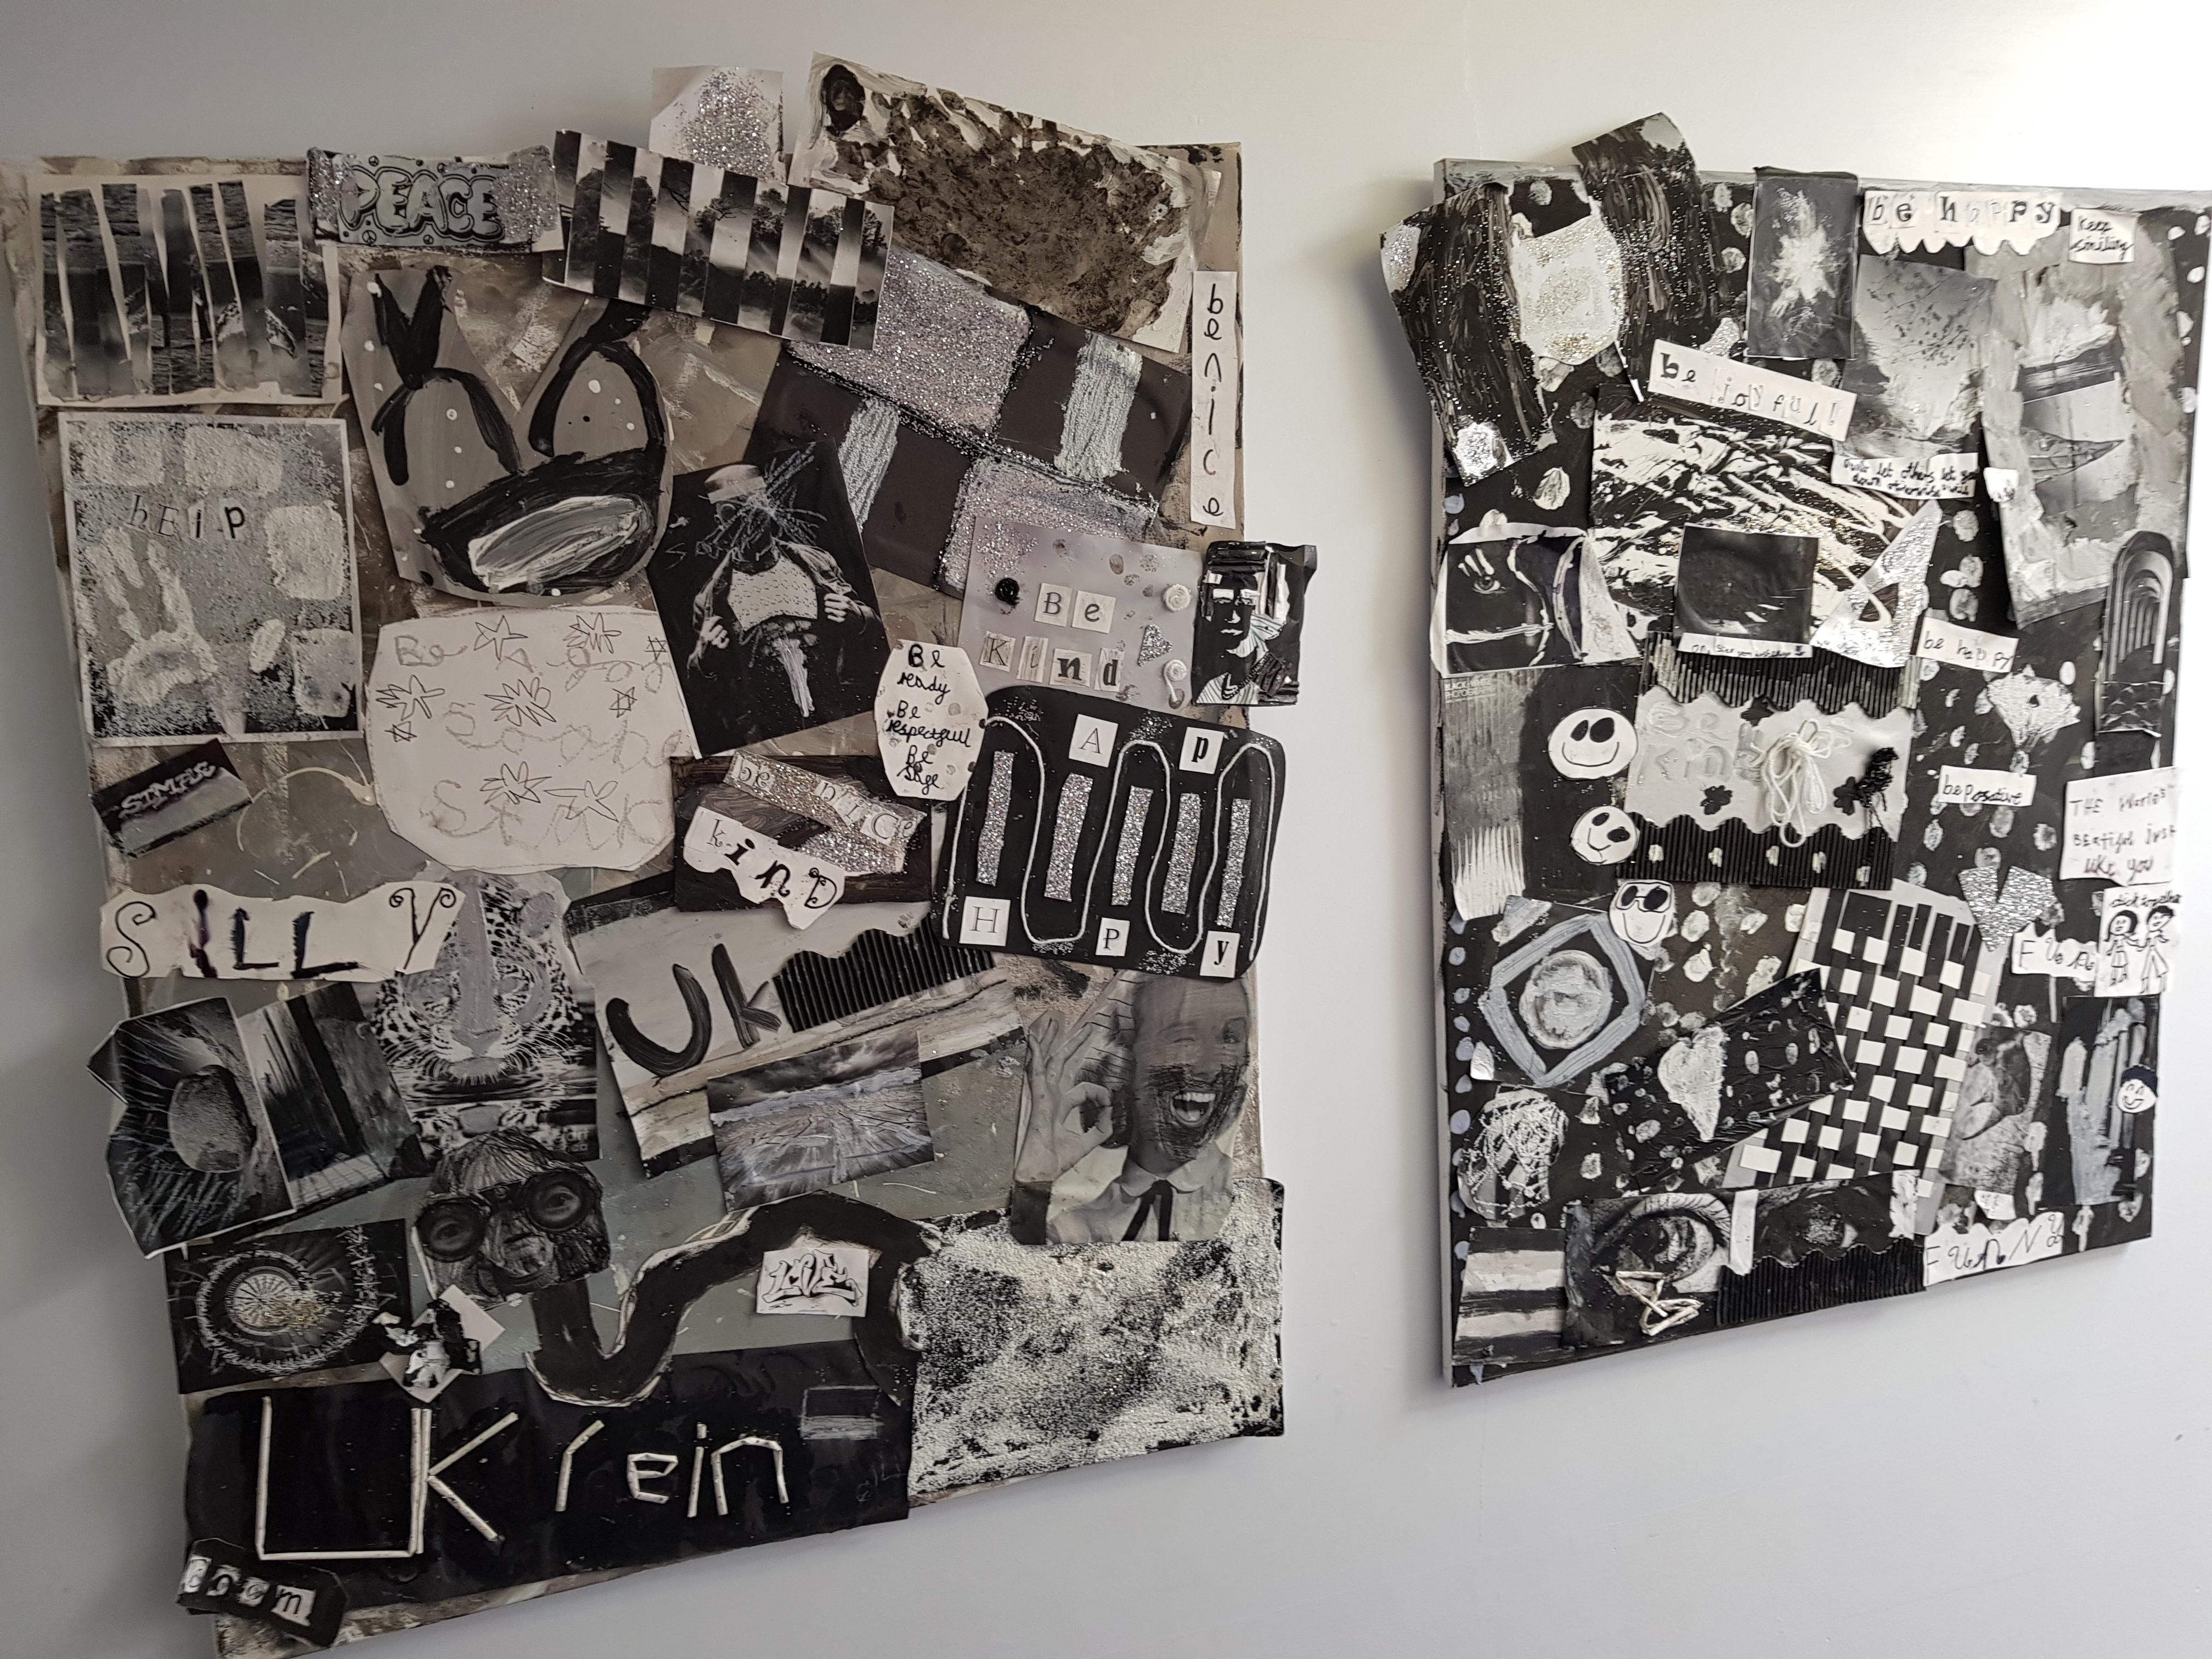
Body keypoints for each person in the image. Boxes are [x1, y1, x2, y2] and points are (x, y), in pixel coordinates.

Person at [1016, 972, 1252, 1244]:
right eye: (1184, 1038)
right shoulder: (1076, 1228)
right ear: (1123, 1062)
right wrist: (1037, 1174)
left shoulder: (1246, 1208)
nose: (1209, 1069)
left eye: (1230, 1039)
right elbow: (1017, 1263)